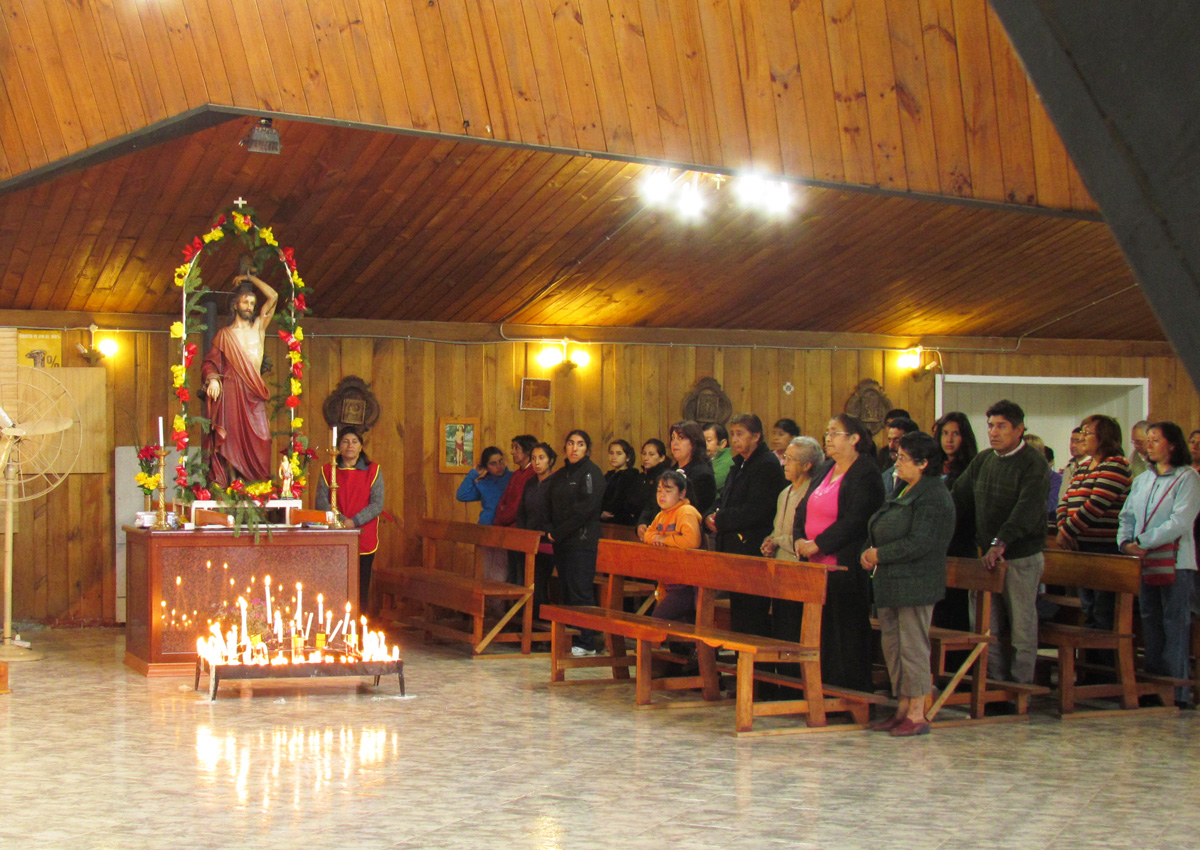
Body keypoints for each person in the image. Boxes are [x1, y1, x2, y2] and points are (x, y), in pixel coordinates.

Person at [861, 431, 956, 737]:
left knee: (913, 647)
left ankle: (918, 712)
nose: (897, 463)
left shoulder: (934, 495)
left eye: (902, 458)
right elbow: (883, 524)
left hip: (916, 583)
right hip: (891, 583)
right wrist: (868, 550)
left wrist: (880, 554)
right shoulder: (904, 488)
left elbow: (921, 542)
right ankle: (901, 707)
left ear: (924, 463)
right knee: (893, 647)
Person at [952, 399, 1050, 687]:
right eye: (991, 426)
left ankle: (1020, 688)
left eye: (1001, 426)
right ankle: (993, 683)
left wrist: (1001, 541)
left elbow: (1027, 509)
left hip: (1019, 556)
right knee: (984, 625)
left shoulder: (1033, 463)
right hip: (986, 557)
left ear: (1019, 429)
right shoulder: (984, 460)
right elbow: (958, 497)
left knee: (1021, 625)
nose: (993, 432)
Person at [791, 413, 886, 692]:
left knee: (845, 633)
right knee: (821, 633)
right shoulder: (826, 468)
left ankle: (850, 696)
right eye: (827, 433)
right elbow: (802, 508)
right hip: (815, 566)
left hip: (845, 566)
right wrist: (799, 539)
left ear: (854, 438)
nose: (828, 439)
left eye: (834, 433)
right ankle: (821, 691)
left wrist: (818, 544)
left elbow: (856, 520)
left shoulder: (866, 473)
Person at [1118, 421, 1200, 708]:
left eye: (1155, 439)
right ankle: (1153, 687)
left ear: (1172, 445)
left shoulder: (1188, 478)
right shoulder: (1143, 479)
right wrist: (1125, 541)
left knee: (1174, 624)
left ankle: (1175, 691)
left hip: (1176, 562)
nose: (1149, 444)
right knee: (1150, 621)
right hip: (1144, 561)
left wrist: (1144, 541)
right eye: (1148, 439)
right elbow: (1127, 515)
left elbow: (1180, 521)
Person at [704, 413, 786, 637]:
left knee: (751, 616)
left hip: (751, 549)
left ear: (756, 436)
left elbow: (757, 510)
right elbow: (725, 498)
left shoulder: (766, 464)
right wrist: (710, 515)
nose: (735, 439)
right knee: (738, 614)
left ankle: (753, 659)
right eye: (732, 434)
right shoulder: (740, 462)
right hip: (734, 549)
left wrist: (721, 520)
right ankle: (740, 659)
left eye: (740, 434)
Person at [1056, 415, 1132, 639]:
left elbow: (1095, 505)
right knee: (1088, 609)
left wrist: (1067, 531)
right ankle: (1090, 661)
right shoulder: (1084, 466)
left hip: (1105, 549)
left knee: (1102, 612)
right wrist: (1063, 528)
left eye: (1088, 434)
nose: (1082, 438)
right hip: (1082, 546)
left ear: (1103, 437)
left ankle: (1104, 661)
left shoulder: (1116, 465)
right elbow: (1065, 501)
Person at [201, 269, 278, 488]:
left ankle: (258, 485)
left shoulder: (259, 327)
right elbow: (209, 362)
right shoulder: (225, 335)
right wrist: (213, 379)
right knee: (232, 439)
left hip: (254, 392)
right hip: (233, 391)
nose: (250, 307)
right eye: (245, 302)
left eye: (252, 303)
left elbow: (273, 296)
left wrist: (250, 279)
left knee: (264, 439)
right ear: (235, 305)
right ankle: (234, 484)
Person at [764, 436, 823, 675]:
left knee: (793, 629)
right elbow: (778, 529)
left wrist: (778, 540)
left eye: (791, 459)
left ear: (807, 465)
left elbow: (806, 536)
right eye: (784, 458)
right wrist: (769, 542)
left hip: (799, 571)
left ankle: (795, 682)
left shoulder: (813, 494)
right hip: (779, 570)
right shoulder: (784, 493)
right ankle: (780, 680)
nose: (784, 463)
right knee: (779, 627)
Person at [547, 430, 606, 657]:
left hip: (582, 542)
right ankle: (572, 637)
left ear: (587, 449)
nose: (574, 448)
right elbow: (551, 504)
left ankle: (587, 641)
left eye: (580, 444)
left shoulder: (592, 472)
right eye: (571, 443)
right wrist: (551, 530)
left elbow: (585, 510)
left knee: (580, 590)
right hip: (561, 542)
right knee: (566, 590)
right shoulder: (561, 474)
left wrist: (558, 533)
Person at [315, 427, 383, 614]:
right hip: (336, 534)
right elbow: (321, 502)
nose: (350, 445)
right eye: (345, 441)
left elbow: (377, 504)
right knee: (335, 585)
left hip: (364, 535)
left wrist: (354, 521)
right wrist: (342, 521)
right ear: (338, 446)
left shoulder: (373, 470)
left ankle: (360, 624)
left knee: (360, 587)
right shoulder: (328, 470)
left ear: (361, 446)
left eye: (354, 441)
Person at [932, 411, 979, 636]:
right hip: (934, 548)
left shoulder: (971, 468)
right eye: (945, 433)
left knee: (955, 608)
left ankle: (956, 655)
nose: (949, 440)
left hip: (959, 545)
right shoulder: (932, 467)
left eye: (955, 434)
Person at [644, 470, 703, 622]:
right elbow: (648, 535)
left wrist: (664, 540)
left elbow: (691, 541)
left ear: (682, 493)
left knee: (657, 620)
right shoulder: (661, 514)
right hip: (668, 580)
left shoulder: (686, 511)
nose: (662, 495)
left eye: (668, 491)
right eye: (659, 491)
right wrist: (657, 538)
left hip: (686, 585)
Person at [516, 442, 558, 619]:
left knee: (539, 583)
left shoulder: (556, 483)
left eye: (541, 458)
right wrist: (523, 533)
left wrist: (549, 533)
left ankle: (540, 622)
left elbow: (557, 514)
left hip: (547, 541)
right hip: (529, 539)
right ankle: (524, 620)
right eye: (533, 458)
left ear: (551, 460)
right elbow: (522, 511)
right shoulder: (531, 483)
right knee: (523, 581)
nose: (537, 462)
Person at [493, 435, 540, 584]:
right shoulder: (517, 474)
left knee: (520, 576)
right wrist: (500, 519)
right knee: (512, 574)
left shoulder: (531, 473)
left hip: (521, 530)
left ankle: (520, 600)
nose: (512, 452)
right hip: (510, 530)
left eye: (516, 448)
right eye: (512, 447)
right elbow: (504, 500)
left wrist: (502, 518)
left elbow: (518, 506)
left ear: (527, 451)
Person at [455, 446, 512, 525]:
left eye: (501, 461)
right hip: (486, 526)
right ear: (486, 467)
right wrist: (473, 474)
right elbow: (462, 495)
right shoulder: (484, 483)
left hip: (508, 526)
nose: (499, 466)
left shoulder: (513, 477)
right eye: (493, 463)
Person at [633, 439, 672, 538]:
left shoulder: (664, 476)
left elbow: (653, 503)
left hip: (659, 525)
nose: (646, 458)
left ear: (662, 458)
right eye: (644, 454)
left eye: (651, 454)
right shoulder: (644, 476)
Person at [600, 439, 641, 525]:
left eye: (619, 453)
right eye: (611, 453)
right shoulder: (608, 476)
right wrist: (600, 512)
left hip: (621, 522)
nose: (614, 457)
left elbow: (621, 501)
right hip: (604, 521)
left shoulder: (630, 476)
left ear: (628, 458)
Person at [880, 417, 920, 491]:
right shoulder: (884, 477)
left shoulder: (922, 476)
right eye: (889, 440)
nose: (891, 445)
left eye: (897, 440)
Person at [1060, 427, 1089, 504]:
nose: (1073, 445)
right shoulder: (1069, 468)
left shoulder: (1091, 468)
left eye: (1078, 441)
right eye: (1072, 441)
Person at [704, 422, 734, 491]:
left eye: (708, 440)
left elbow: (707, 486)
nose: (704, 444)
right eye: (702, 440)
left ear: (722, 443)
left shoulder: (727, 462)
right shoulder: (706, 459)